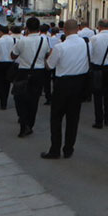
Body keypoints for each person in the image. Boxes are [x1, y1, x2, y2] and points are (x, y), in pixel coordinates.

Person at [41, 19, 89, 159]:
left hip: (63, 83)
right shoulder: (86, 44)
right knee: (73, 119)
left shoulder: (60, 47)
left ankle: (55, 149)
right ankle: (68, 148)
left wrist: (45, 59)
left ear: (65, 30)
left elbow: (50, 65)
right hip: (79, 83)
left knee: (56, 117)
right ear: (77, 29)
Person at [11, 17, 50, 138]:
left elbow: (13, 55)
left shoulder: (22, 41)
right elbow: (47, 54)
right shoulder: (44, 41)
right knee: (34, 100)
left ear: (26, 28)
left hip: (23, 71)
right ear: (38, 28)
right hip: (39, 72)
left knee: (20, 99)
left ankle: (23, 124)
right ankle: (30, 124)